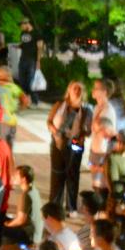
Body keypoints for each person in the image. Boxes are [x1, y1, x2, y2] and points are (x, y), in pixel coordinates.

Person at [47, 82, 90, 212]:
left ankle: (71, 207)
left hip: (75, 143)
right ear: (69, 91)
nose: (77, 91)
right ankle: (54, 205)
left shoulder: (86, 109)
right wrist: (55, 132)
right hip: (58, 141)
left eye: (79, 88)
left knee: (73, 174)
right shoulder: (59, 105)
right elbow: (49, 121)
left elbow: (88, 130)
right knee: (57, 173)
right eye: (74, 88)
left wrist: (83, 133)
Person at [15, 20, 42, 102]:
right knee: (22, 80)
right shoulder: (23, 33)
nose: (21, 27)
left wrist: (38, 61)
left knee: (31, 81)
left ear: (27, 24)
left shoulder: (37, 33)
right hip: (23, 59)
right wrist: (18, 46)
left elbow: (40, 48)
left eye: (21, 25)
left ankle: (35, 100)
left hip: (32, 60)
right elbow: (24, 44)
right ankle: (25, 100)